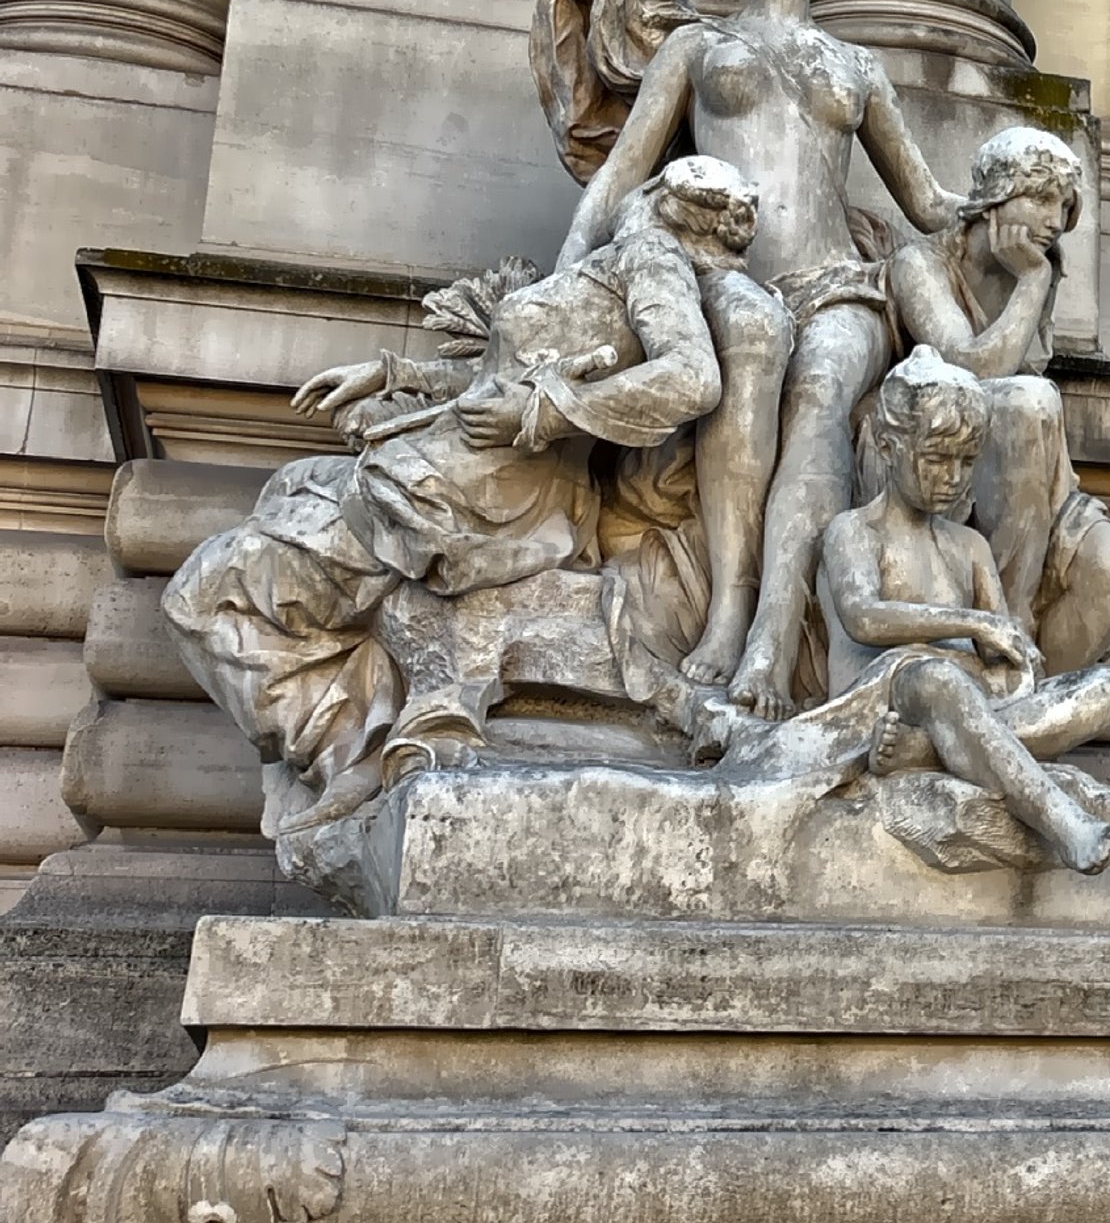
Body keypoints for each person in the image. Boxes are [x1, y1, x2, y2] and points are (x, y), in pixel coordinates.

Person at [163, 157, 761, 853]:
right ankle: (351, 742)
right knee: (291, 487)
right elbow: (495, 378)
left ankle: (348, 754)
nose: (628, 193)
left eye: (649, 186)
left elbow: (692, 379)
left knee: (204, 594)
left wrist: (544, 411)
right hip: (446, 466)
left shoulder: (649, 257)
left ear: (662, 204)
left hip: (476, 491)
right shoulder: (618, 262)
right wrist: (394, 373)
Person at [543, 0, 963, 717]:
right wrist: (558, 286)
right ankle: (730, 609)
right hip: (725, 275)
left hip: (837, 280)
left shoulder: (857, 65)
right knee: (752, 347)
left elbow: (928, 201)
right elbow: (623, 174)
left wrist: (1018, 219)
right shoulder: (699, 49)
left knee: (825, 382)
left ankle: (773, 632)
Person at [735, 347, 1110, 876]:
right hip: (881, 696)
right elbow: (864, 618)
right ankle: (1061, 820)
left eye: (966, 462)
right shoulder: (853, 531)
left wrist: (1012, 658)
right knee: (934, 679)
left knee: (1109, 692)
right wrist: (974, 624)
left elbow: (1007, 656)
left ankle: (925, 752)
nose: (952, 477)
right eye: (936, 458)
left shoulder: (969, 545)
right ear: (888, 445)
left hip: (968, 700)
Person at [887, 124, 1110, 674]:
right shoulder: (922, 265)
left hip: (1037, 479)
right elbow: (971, 371)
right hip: (946, 459)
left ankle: (1024, 693)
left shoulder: (1040, 270)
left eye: (1064, 205)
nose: (1055, 221)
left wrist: (1033, 280)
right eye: (1040, 198)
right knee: (1026, 402)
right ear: (993, 199)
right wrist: (1030, 282)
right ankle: (1009, 628)